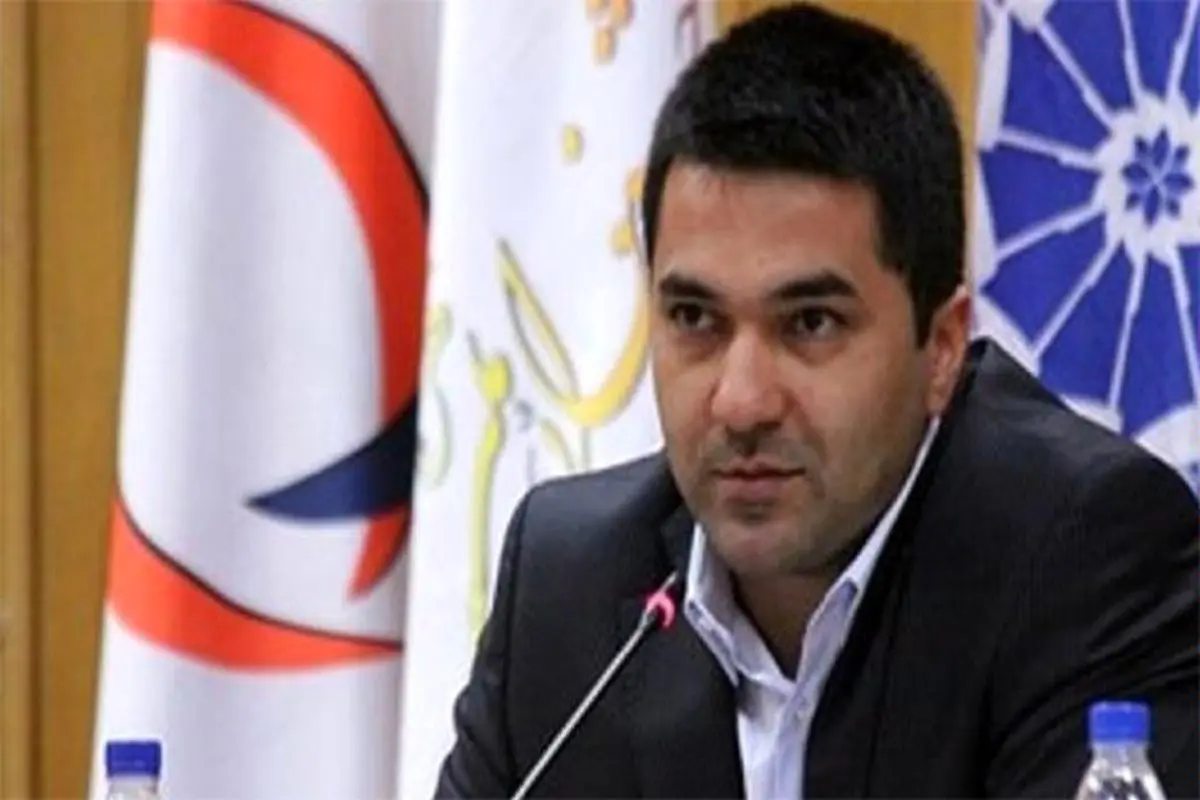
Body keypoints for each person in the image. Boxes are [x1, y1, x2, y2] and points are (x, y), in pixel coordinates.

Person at [434, 4, 1200, 798]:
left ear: (942, 347)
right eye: (694, 318)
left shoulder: (1085, 556)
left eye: (810, 324)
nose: (741, 403)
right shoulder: (571, 582)